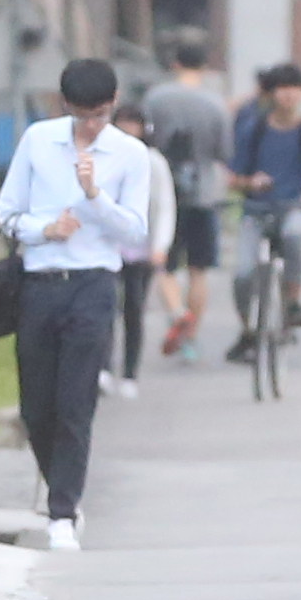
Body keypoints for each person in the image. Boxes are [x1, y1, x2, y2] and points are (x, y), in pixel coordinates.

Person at [0, 57, 149, 548]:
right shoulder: (39, 140)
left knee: (75, 402)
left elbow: (135, 230)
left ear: (113, 104)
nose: (91, 124)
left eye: (100, 114)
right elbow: (7, 213)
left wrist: (94, 196)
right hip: (40, 282)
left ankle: (62, 510)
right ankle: (61, 486)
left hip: (94, 283)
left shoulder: (130, 153)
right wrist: (45, 229)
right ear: (64, 105)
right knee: (37, 408)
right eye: (82, 114)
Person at [141, 35, 233, 363]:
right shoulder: (215, 104)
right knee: (198, 270)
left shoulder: (155, 99)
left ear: (174, 64)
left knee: (163, 263)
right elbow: (224, 152)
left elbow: (145, 139)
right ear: (204, 67)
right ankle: (191, 337)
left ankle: (176, 311)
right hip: (204, 194)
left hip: (163, 191)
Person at [227, 62, 301, 361]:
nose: (288, 95)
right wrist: (250, 182)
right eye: (282, 88)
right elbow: (232, 177)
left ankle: (292, 302)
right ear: (271, 93)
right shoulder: (253, 129)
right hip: (256, 210)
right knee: (243, 274)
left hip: (294, 206)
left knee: (294, 234)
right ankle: (248, 328)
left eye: (294, 88)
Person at [106, 99, 175, 399]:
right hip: (108, 246)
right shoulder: (104, 156)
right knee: (104, 305)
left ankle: (130, 372)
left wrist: (160, 245)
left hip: (139, 248)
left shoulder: (153, 161)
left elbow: (164, 204)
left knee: (133, 309)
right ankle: (103, 367)